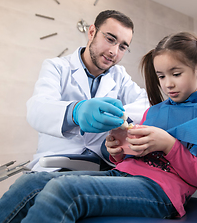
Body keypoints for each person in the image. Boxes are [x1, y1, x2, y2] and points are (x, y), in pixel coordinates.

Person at [0, 32, 197, 222]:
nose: (168, 84)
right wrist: (116, 149)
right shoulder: (156, 111)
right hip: (125, 175)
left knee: (63, 191)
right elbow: (133, 157)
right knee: (31, 183)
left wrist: (169, 145)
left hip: (160, 191)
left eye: (176, 73)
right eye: (161, 76)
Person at [26, 10, 149, 171]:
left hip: (101, 163)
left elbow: (147, 103)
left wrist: (117, 114)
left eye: (122, 47)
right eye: (110, 39)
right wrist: (75, 112)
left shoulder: (120, 76)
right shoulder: (57, 67)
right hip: (56, 162)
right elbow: (37, 109)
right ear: (92, 32)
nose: (114, 52)